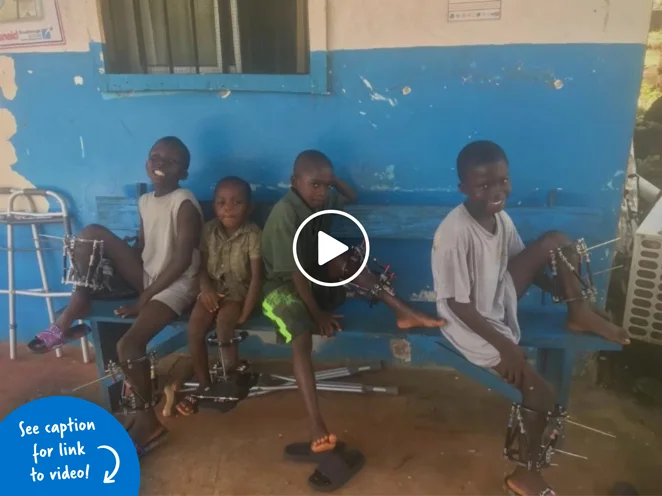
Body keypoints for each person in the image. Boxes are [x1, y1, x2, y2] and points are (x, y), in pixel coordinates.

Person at [430, 140, 630, 496]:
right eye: (483, 186)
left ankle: (578, 313)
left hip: (495, 299)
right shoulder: (454, 233)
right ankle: (525, 476)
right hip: (469, 323)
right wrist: (507, 348)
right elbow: (458, 305)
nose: (496, 191)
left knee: (555, 240)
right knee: (540, 390)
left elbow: (523, 260)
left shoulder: (500, 218)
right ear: (463, 189)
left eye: (502, 181)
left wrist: (562, 289)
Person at [260, 149, 446, 491]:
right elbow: (296, 277)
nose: (321, 192)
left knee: (344, 257)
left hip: (311, 272)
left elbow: (351, 196)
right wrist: (318, 315)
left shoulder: (320, 200)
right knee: (301, 338)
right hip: (283, 286)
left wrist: (331, 182)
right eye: (314, 185)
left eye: (325, 186)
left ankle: (403, 312)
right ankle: (317, 425)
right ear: (294, 182)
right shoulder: (286, 212)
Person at [28, 136, 204, 457]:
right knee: (92, 233)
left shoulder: (185, 202)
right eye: (155, 156)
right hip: (148, 277)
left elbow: (180, 261)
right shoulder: (146, 201)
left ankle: (147, 423)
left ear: (184, 173)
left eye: (171, 161)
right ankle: (77, 304)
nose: (160, 163)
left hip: (176, 285)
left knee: (128, 345)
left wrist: (144, 298)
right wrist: (119, 260)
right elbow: (142, 247)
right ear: (147, 161)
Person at [170, 176, 263, 416]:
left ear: (249, 208)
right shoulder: (208, 230)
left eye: (236, 202)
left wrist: (246, 310)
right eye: (221, 202)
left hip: (238, 293)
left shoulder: (253, 234)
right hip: (212, 289)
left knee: (224, 324)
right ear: (214, 207)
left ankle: (229, 378)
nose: (228, 208)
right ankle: (203, 383)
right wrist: (205, 289)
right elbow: (200, 266)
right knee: (195, 329)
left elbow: (255, 277)